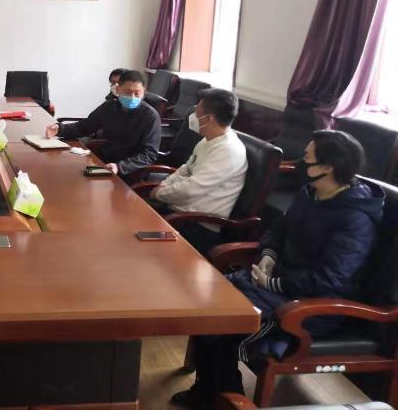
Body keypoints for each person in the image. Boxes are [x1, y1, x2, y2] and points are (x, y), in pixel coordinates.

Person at [171, 130, 384, 409]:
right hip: (276, 285)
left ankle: (225, 399)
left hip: (311, 306)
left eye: (307, 157)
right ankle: (208, 392)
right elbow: (278, 231)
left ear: (328, 167)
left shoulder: (356, 218)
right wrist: (268, 255)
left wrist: (273, 283)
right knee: (207, 304)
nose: (300, 163)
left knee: (225, 328)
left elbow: (330, 279)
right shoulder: (311, 193)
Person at [147, 88, 248, 255]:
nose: (193, 116)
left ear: (209, 118)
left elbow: (191, 190)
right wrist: (163, 186)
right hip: (177, 211)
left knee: (142, 242)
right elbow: (185, 169)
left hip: (197, 225)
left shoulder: (229, 151)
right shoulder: (207, 141)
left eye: (197, 112)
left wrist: (159, 194)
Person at [44, 69, 160, 179]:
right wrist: (60, 129)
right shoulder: (109, 107)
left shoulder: (150, 116)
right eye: (127, 92)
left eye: (137, 93)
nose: (132, 97)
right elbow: (85, 126)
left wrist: (120, 167)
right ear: (118, 90)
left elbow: (149, 154)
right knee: (63, 172)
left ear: (144, 92)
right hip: (105, 161)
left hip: (130, 170)